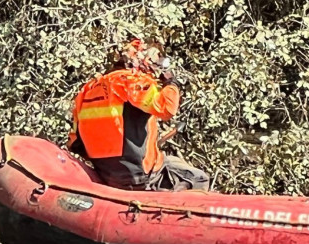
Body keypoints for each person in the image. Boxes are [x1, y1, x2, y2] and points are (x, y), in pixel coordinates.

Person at [67, 38, 208, 192]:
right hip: (139, 176)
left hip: (106, 175)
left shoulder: (88, 89)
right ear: (143, 60)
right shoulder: (131, 81)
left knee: (170, 161)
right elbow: (167, 108)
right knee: (198, 178)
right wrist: (171, 83)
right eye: (156, 60)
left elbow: (75, 144)